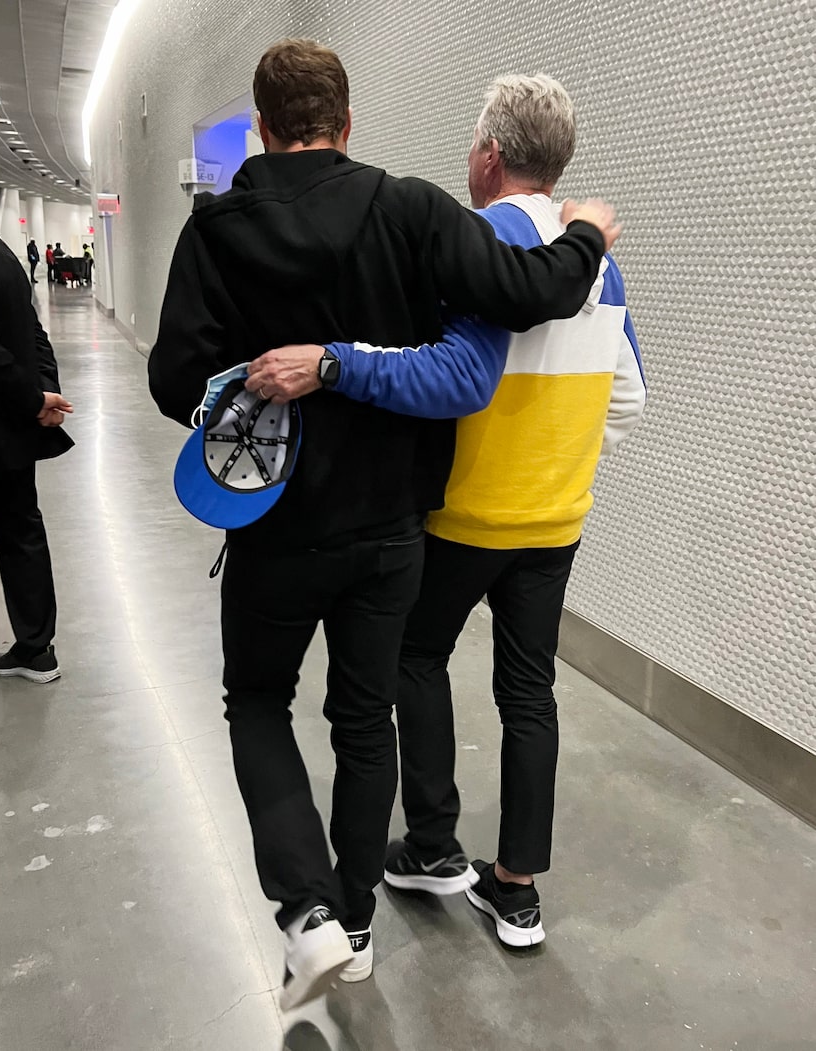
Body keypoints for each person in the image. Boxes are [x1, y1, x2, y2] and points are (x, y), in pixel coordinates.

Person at [149, 39, 619, 1011]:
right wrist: (586, 233)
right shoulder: (409, 208)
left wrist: (250, 377)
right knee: (365, 720)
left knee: (257, 704)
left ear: (265, 129)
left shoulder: (217, 228)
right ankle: (355, 923)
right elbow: (533, 292)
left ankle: (304, 911)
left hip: (276, 529)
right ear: (347, 122)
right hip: (392, 531)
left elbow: (169, 380)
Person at [255, 74, 646, 951]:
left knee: (416, 661)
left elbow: (435, 372)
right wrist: (558, 464)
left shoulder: (468, 243)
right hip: (556, 521)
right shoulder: (604, 265)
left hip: (465, 517)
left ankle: (432, 844)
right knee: (530, 689)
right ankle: (517, 889)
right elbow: (629, 399)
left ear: (488, 157)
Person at [0, 224, 74, 683]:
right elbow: (32, 329)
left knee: (20, 531)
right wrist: (43, 391)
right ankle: (37, 649)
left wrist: (34, 397)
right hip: (12, 430)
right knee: (21, 532)